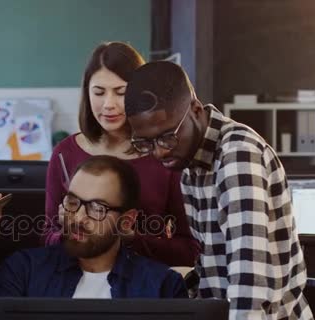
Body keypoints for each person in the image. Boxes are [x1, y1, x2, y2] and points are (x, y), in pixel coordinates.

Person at [124, 61, 313, 319]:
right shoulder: (192, 167)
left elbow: (250, 282)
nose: (159, 151)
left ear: (195, 109)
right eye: (145, 142)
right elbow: (212, 266)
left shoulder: (237, 155)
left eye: (168, 136)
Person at [43, 42, 199, 267]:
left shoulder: (165, 153)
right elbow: (46, 237)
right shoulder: (64, 153)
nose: (109, 104)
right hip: (77, 286)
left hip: (145, 288)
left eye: (121, 92)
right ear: (87, 93)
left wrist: (130, 238)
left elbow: (189, 249)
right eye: (98, 92)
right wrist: (68, 235)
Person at [0, 155, 187, 298]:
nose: (78, 218)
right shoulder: (23, 271)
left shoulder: (163, 286)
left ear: (126, 221)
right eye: (72, 202)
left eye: (97, 208)